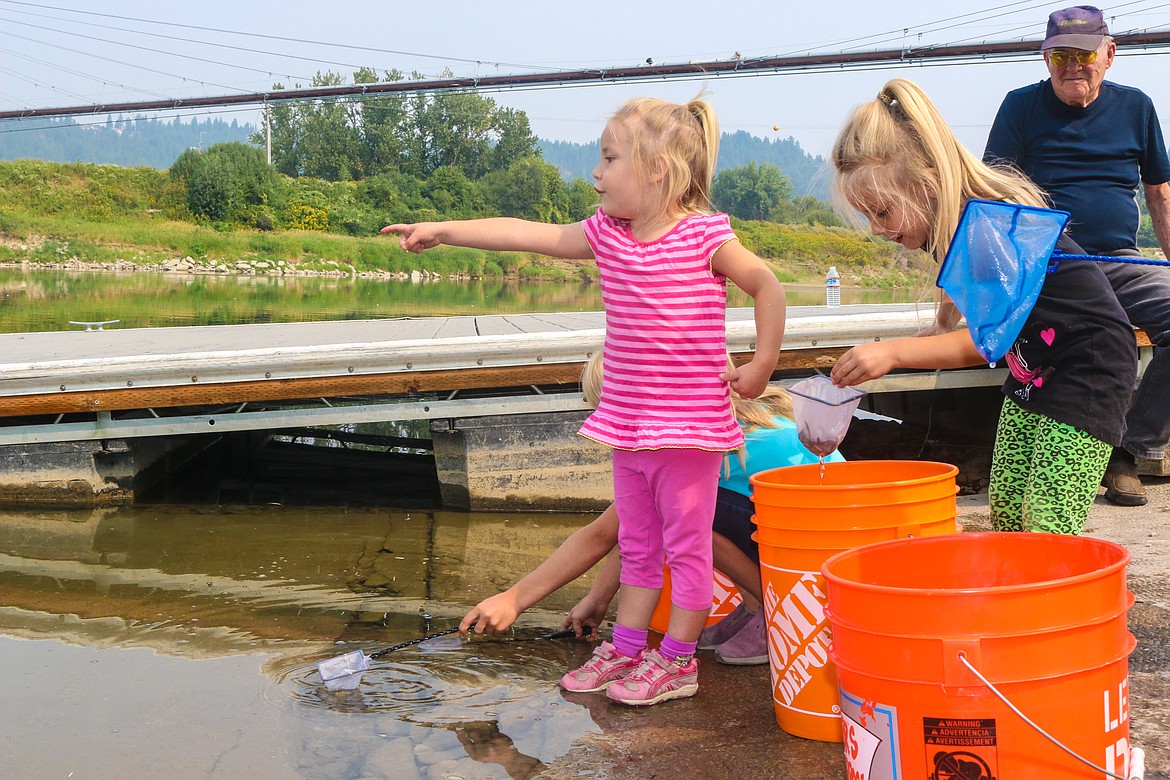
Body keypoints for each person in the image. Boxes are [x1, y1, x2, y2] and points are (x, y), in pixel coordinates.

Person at [384, 95, 786, 706]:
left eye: (608, 158)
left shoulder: (705, 236)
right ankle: (626, 650)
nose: (594, 173)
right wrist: (443, 231)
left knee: (687, 548)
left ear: (656, 168)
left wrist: (760, 365)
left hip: (689, 430)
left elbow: (768, 286)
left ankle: (676, 664)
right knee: (642, 547)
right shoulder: (607, 235)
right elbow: (527, 235)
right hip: (627, 427)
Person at [828, 77, 1136, 536]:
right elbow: (965, 283)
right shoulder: (955, 224)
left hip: (1088, 367)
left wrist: (892, 353)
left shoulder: (991, 225)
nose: (877, 229)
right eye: (867, 216)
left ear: (929, 185)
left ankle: (1050, 596)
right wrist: (941, 323)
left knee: (1047, 521)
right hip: (1036, 371)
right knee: (1009, 511)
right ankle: (1016, 588)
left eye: (883, 212)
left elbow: (985, 342)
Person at [459, 353, 843, 667]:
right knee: (662, 511)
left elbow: (603, 533)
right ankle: (759, 603)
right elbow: (632, 521)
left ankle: (775, 613)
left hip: (812, 573)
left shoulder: (699, 447)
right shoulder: (747, 416)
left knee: (683, 514)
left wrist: (515, 598)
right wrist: (599, 598)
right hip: (823, 553)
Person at [978, 5, 1170, 507]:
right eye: (1059, 54)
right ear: (1045, 59)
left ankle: (1129, 449)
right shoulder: (1020, 107)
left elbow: (1159, 196)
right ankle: (1088, 453)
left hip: (1123, 261)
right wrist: (955, 307)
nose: (1072, 65)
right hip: (1051, 264)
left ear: (1109, 55)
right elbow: (991, 204)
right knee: (1104, 336)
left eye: (1083, 54)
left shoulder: (1137, 107)